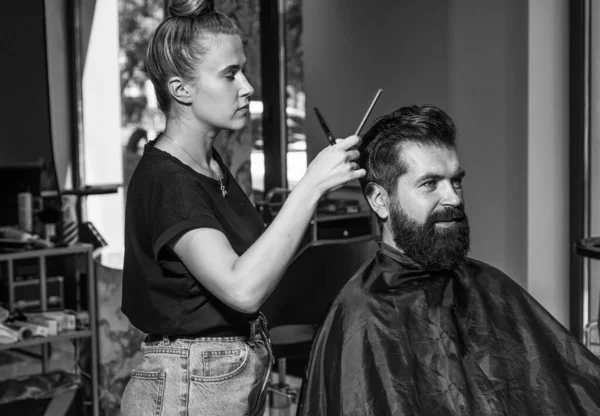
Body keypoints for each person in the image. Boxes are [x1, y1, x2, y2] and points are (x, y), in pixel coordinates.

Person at [119, 0, 365, 415]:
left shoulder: (209, 166)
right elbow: (241, 288)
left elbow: (257, 264)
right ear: (181, 89)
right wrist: (310, 186)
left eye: (244, 70)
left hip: (220, 381)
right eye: (230, 74)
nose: (247, 86)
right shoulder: (169, 180)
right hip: (186, 391)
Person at [297, 105, 600, 416]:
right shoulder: (362, 314)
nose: (454, 197)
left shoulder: (490, 286)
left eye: (456, 181)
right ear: (380, 200)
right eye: (430, 184)